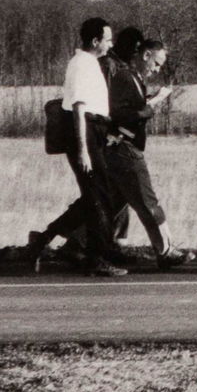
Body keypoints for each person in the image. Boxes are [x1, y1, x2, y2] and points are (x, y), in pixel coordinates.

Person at [105, 31, 191, 268]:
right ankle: (166, 250)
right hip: (125, 146)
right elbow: (120, 114)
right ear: (145, 55)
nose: (157, 69)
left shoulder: (131, 77)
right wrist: (151, 106)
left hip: (121, 146)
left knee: (114, 201)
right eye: (156, 63)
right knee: (147, 200)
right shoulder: (125, 77)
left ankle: (80, 244)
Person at [57, 17, 125, 277]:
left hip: (95, 129)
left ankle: (98, 250)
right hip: (85, 130)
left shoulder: (90, 63)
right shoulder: (80, 65)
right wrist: (83, 149)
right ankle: (97, 257)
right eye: (108, 39)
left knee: (100, 193)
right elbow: (78, 108)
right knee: (97, 195)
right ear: (95, 41)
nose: (111, 44)